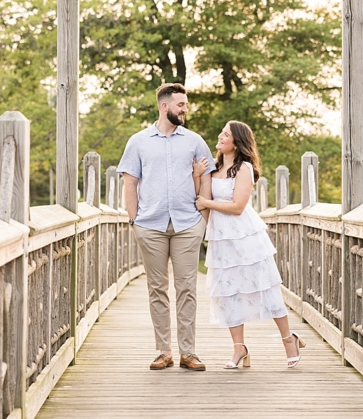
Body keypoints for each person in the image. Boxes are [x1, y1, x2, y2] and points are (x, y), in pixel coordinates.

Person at [117, 83, 216, 371]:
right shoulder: (138, 141)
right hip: (150, 224)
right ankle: (164, 351)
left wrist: (204, 215)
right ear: (165, 106)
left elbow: (207, 178)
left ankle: (189, 352)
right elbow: (130, 182)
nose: (185, 109)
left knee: (187, 287)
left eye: (186, 104)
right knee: (157, 288)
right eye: (181, 105)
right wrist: (135, 220)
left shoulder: (195, 141)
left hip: (188, 223)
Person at [194, 121, 306, 369]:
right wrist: (196, 175)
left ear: (237, 142)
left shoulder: (243, 168)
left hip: (245, 235)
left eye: (226, 134)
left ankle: (289, 339)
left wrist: (207, 204)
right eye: (221, 132)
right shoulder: (213, 168)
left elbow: (236, 207)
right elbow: (199, 198)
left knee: (265, 285)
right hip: (221, 238)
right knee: (228, 292)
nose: (220, 136)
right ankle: (239, 349)